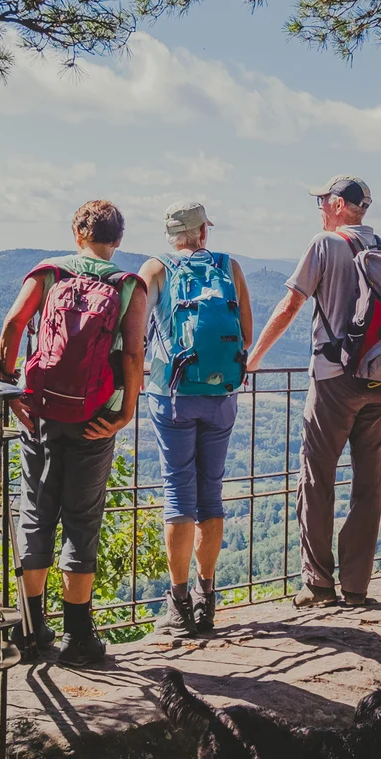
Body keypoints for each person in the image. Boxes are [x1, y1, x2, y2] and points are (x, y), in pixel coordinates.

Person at [0, 200, 148, 667]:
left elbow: (13, 325)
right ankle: (78, 636)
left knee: (36, 511)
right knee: (82, 519)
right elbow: (133, 354)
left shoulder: (49, 273)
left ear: (77, 233)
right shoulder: (128, 285)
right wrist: (125, 412)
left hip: (40, 413)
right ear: (118, 240)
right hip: (95, 416)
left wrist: (11, 391)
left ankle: (30, 628)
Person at [248, 175, 381, 608]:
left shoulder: (325, 244)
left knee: (316, 477)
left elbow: (291, 304)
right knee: (369, 482)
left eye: (321, 201)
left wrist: (253, 358)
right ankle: (357, 585)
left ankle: (318, 584)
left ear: (337, 204)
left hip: (334, 377)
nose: (318, 209)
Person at [138, 201, 252, 638]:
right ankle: (207, 599)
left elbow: (135, 331)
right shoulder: (229, 266)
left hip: (172, 397)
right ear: (203, 232)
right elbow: (245, 331)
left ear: (171, 235)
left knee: (178, 494)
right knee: (212, 495)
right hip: (221, 395)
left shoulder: (156, 269)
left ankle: (179, 603)